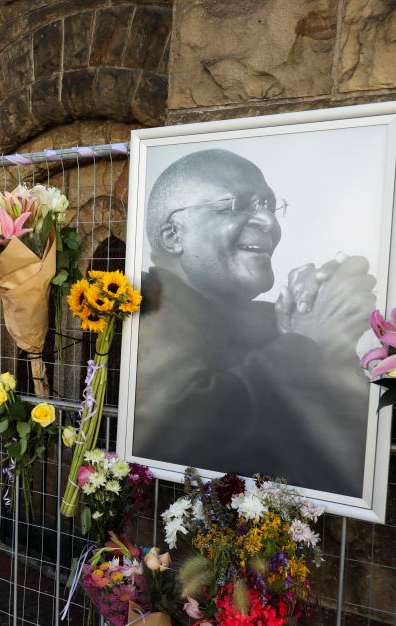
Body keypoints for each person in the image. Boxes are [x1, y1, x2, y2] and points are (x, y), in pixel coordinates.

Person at [133, 149, 376, 496]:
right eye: (237, 205)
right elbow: (179, 432)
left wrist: (317, 302)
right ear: (174, 235)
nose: (269, 222)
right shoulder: (148, 306)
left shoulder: (250, 317)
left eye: (269, 205)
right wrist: (306, 339)